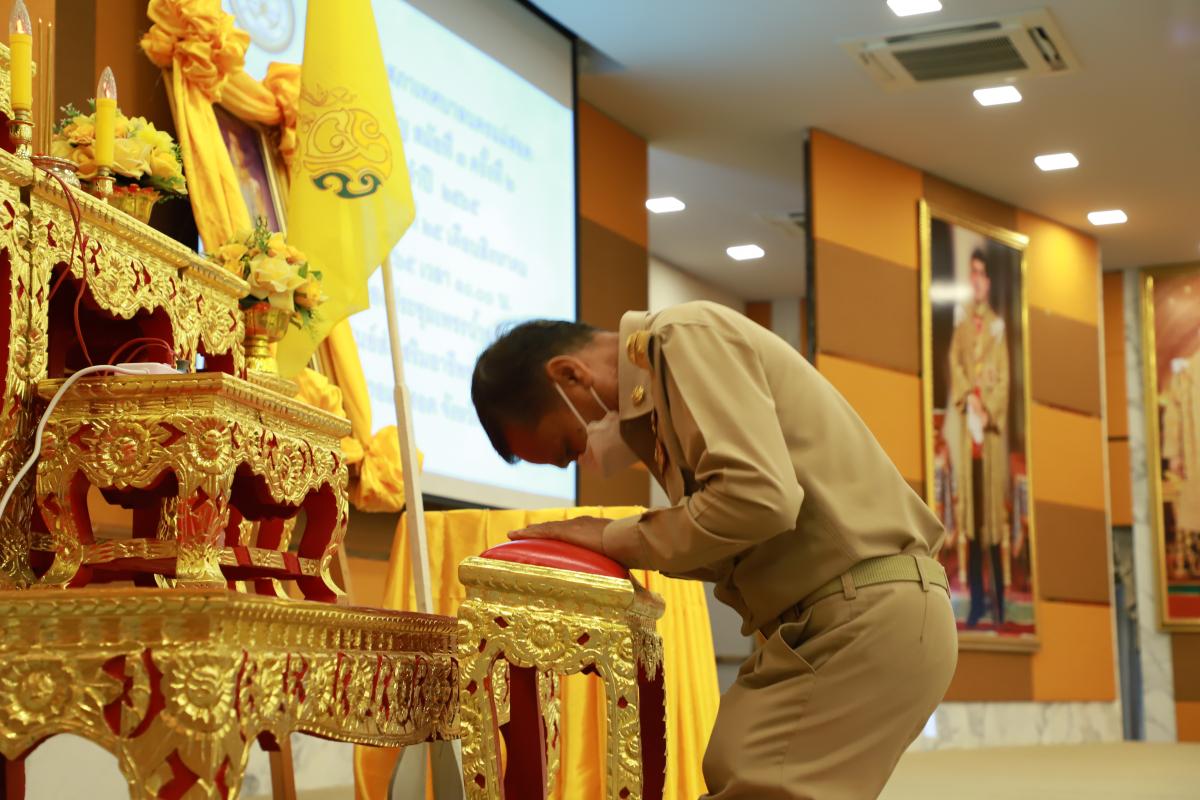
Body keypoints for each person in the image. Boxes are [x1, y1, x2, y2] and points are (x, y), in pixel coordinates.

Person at [470, 300, 958, 799]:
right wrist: (612, 545)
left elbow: (759, 499)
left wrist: (611, 535)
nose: (585, 457)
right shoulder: (661, 392)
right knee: (734, 760)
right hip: (841, 616)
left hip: (863, 610)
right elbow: (736, 539)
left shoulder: (684, 337)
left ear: (570, 374)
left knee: (753, 776)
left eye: (568, 447)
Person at [947, 249, 1010, 628]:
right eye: (972, 272)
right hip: (967, 432)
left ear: (989, 281)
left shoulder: (998, 327)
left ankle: (999, 601)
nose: (977, 280)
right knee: (971, 520)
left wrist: (988, 409)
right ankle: (976, 603)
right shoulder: (962, 324)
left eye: (983, 274)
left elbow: (1004, 377)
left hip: (989, 436)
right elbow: (955, 362)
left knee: (993, 522)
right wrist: (967, 396)